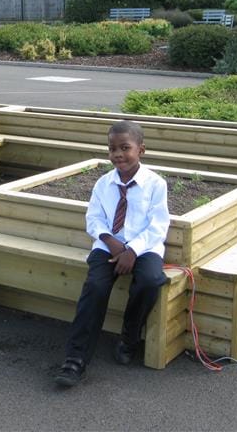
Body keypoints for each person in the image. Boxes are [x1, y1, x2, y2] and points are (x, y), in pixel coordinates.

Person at [55, 120, 170, 387]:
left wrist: (132, 250)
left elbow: (158, 225)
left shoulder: (155, 184)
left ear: (141, 150)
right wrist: (112, 242)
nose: (117, 154)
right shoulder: (103, 184)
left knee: (151, 280)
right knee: (95, 286)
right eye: (112, 148)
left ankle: (129, 338)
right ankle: (76, 358)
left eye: (125, 147)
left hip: (144, 247)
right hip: (108, 246)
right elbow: (94, 219)